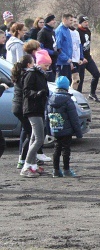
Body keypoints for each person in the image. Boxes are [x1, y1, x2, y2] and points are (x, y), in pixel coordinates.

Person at [21, 49, 52, 178]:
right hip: (32, 109)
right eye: (46, 65)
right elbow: (26, 91)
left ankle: (33, 166)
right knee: (39, 139)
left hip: (39, 108)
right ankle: (26, 166)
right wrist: (38, 94)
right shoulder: (31, 74)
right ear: (39, 63)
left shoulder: (41, 74)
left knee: (34, 138)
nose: (48, 68)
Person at [47, 76, 83, 177]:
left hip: (55, 128)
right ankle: (66, 170)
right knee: (66, 149)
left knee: (56, 148)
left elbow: (46, 116)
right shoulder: (68, 100)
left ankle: (56, 170)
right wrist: (78, 132)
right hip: (66, 130)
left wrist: (48, 130)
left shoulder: (50, 100)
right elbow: (74, 118)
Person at [12, 55, 34, 170]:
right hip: (22, 107)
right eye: (33, 62)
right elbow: (27, 92)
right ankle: (22, 159)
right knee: (31, 134)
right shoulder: (25, 76)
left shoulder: (19, 74)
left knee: (26, 130)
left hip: (16, 107)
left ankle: (24, 158)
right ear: (28, 65)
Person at [76, 16, 100, 102]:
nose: (86, 23)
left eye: (87, 22)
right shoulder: (77, 32)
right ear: (80, 23)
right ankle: (78, 97)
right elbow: (77, 47)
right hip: (80, 59)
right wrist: (81, 58)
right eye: (84, 22)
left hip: (88, 57)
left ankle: (92, 93)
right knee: (80, 79)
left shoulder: (88, 31)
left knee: (96, 74)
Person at [37, 14, 58, 81]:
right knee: (49, 80)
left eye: (54, 20)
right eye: (52, 20)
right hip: (46, 61)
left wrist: (58, 50)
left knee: (54, 79)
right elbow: (40, 48)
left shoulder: (52, 31)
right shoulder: (42, 32)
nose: (54, 21)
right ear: (48, 21)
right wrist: (51, 52)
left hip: (54, 60)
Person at [54, 13, 75, 81]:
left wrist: (70, 61)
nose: (71, 22)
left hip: (68, 61)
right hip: (62, 62)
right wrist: (66, 58)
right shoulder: (60, 31)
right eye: (70, 20)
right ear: (65, 20)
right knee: (62, 81)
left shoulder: (67, 30)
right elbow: (58, 47)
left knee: (68, 80)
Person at [69, 17, 85, 89]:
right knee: (74, 79)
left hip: (77, 59)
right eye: (73, 21)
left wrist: (81, 57)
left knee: (77, 80)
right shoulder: (67, 32)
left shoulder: (76, 32)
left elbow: (79, 45)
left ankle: (74, 95)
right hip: (70, 59)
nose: (75, 23)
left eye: (76, 21)